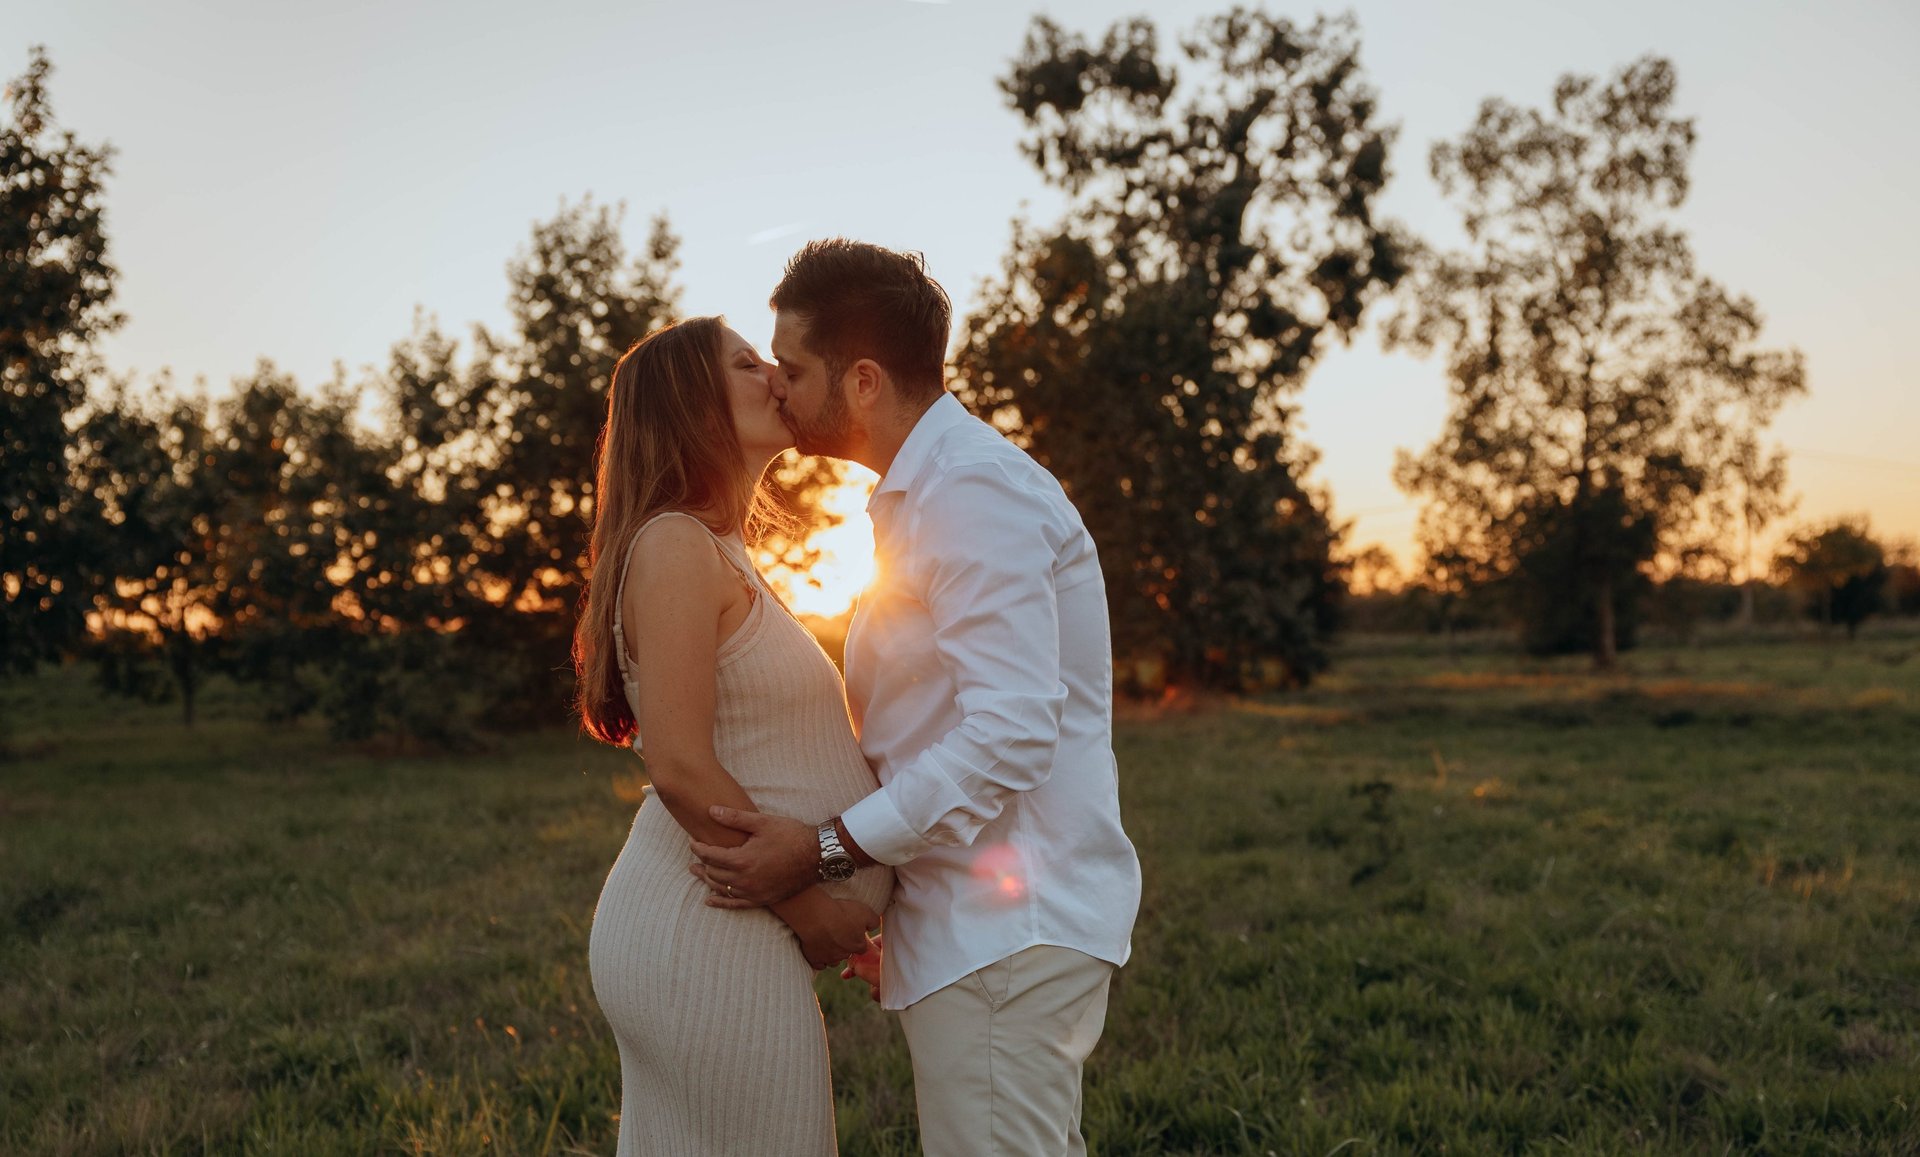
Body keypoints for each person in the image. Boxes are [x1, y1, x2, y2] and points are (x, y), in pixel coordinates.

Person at [691, 240, 1142, 1157]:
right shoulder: (926, 495)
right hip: (972, 924)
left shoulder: (972, 490)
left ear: (861, 381)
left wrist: (824, 850)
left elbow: (1012, 732)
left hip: (1006, 933)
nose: (778, 387)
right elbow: (930, 728)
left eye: (794, 368)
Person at [572, 316, 893, 1157]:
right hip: (709, 929)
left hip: (725, 926)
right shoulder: (676, 543)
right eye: (749, 364)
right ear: (690, 402)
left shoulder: (713, 548)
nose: (776, 376)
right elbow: (677, 762)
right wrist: (811, 907)